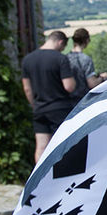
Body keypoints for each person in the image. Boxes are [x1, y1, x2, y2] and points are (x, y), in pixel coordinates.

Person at [21, 31, 77, 164]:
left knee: (41, 146)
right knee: (63, 145)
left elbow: (27, 88)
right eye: (63, 47)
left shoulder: (27, 60)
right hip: (60, 108)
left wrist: (35, 105)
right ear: (60, 42)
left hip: (39, 109)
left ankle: (39, 180)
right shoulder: (60, 58)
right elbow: (68, 86)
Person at [66, 28, 106, 102]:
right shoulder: (86, 59)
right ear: (87, 40)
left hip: (67, 100)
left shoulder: (65, 58)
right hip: (82, 100)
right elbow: (92, 84)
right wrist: (102, 78)